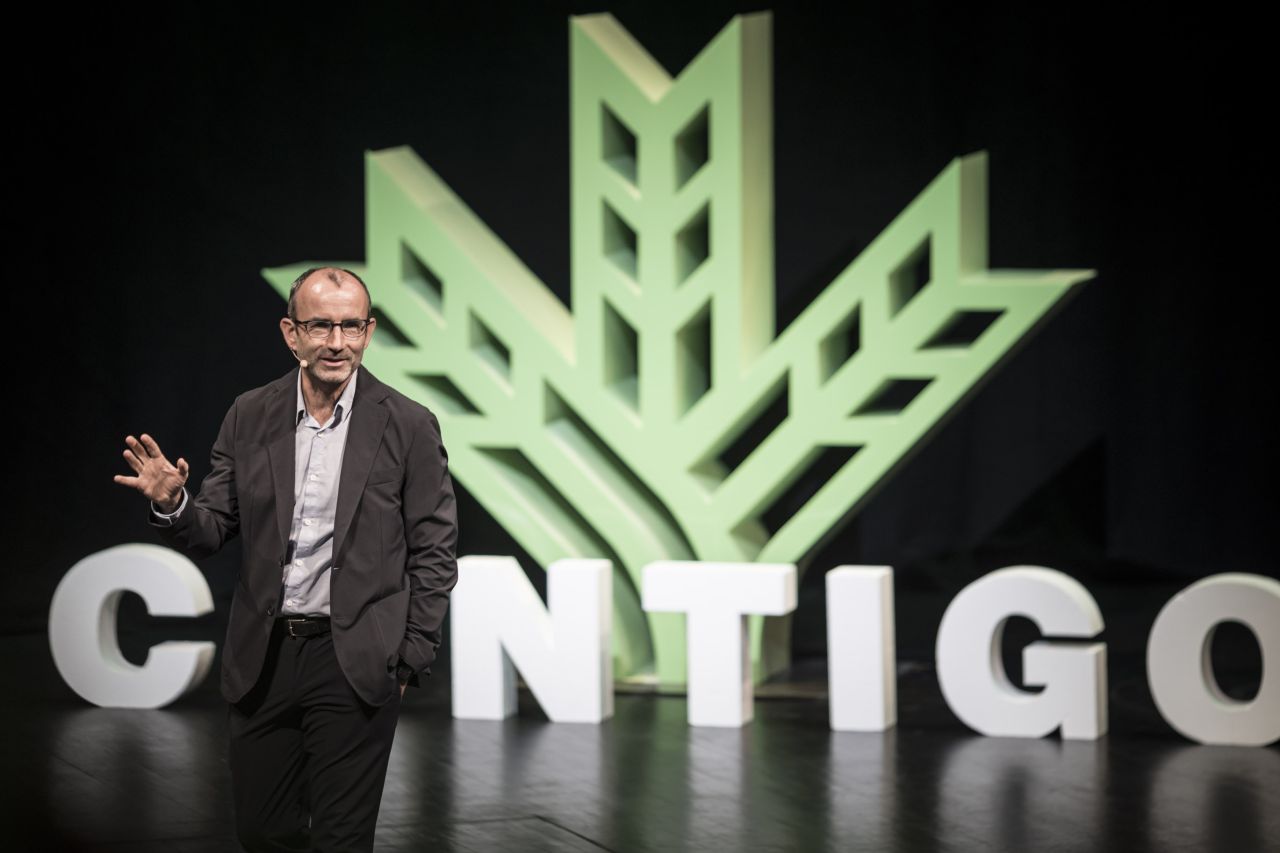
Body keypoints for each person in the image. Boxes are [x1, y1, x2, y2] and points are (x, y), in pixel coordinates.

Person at [114, 266, 458, 852]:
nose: (336, 342)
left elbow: (435, 547)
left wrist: (409, 657)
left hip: (355, 658)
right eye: (320, 325)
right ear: (290, 333)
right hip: (265, 656)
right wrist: (175, 503)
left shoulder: (408, 424)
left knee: (341, 839)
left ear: (369, 332)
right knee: (264, 832)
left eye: (351, 327)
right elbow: (213, 528)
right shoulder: (250, 415)